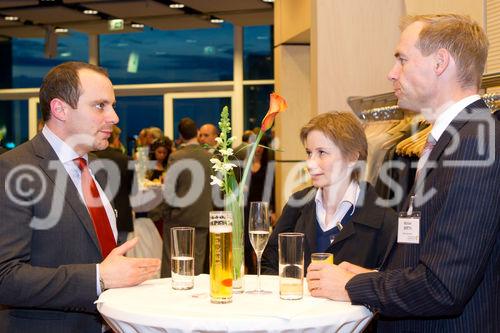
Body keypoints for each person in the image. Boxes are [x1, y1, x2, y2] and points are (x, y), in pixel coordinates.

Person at [306, 14, 499, 332]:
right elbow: (428, 253)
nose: (391, 73)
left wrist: (353, 287)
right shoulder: (457, 139)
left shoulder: (476, 144)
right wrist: (371, 277)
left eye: (403, 60)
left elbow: (443, 287)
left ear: (440, 63)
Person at [0, 61, 161, 333]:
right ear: (60, 109)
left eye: (112, 105)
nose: (114, 117)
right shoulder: (13, 169)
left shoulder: (98, 169)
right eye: (100, 106)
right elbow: (5, 278)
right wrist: (99, 278)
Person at [262, 111, 398, 275]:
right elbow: (269, 263)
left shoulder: (384, 220)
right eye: (309, 153)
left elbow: (392, 284)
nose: (310, 164)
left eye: (322, 153)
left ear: (352, 158)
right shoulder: (297, 204)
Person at [153, 117, 214, 277]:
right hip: (201, 217)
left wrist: (164, 213)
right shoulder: (210, 157)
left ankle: (171, 298)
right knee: (197, 265)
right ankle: (195, 298)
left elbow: (170, 191)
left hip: (178, 217)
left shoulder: (176, 157)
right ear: (197, 133)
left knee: (172, 263)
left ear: (180, 135)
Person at [93, 125, 134, 243]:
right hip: (121, 216)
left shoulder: (91, 158)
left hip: (97, 216)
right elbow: (133, 190)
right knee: (120, 255)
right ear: (115, 139)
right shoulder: (127, 160)